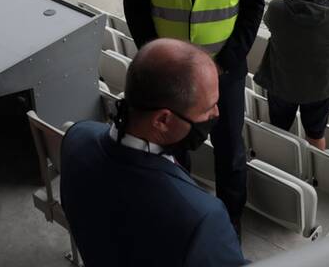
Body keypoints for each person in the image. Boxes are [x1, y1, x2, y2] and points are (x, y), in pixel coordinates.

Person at [123, 0, 265, 231]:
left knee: (231, 154)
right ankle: (181, 219)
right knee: (172, 154)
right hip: (170, 76)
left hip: (225, 72)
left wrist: (223, 64)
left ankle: (229, 227)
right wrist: (158, 62)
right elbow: (135, 4)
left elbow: (254, 6)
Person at [60, 38, 247, 267]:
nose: (216, 113)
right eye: (209, 108)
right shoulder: (202, 218)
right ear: (162, 120)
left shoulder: (76, 137)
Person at [255, 0, 329, 150]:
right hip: (319, 87)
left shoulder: (278, 8)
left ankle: (280, 165)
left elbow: (270, 22)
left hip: (282, 83)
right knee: (315, 134)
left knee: (278, 130)